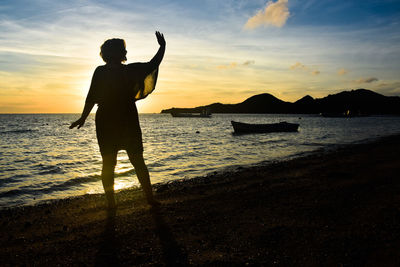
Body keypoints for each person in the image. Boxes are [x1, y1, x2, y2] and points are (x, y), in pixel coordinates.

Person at [70, 31, 166, 209]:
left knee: (134, 160)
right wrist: (82, 118)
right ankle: (114, 203)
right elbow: (91, 96)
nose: (125, 52)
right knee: (114, 162)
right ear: (113, 53)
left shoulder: (128, 70)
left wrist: (162, 47)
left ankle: (147, 199)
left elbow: (153, 64)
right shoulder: (104, 72)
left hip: (122, 119)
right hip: (111, 120)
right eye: (123, 49)